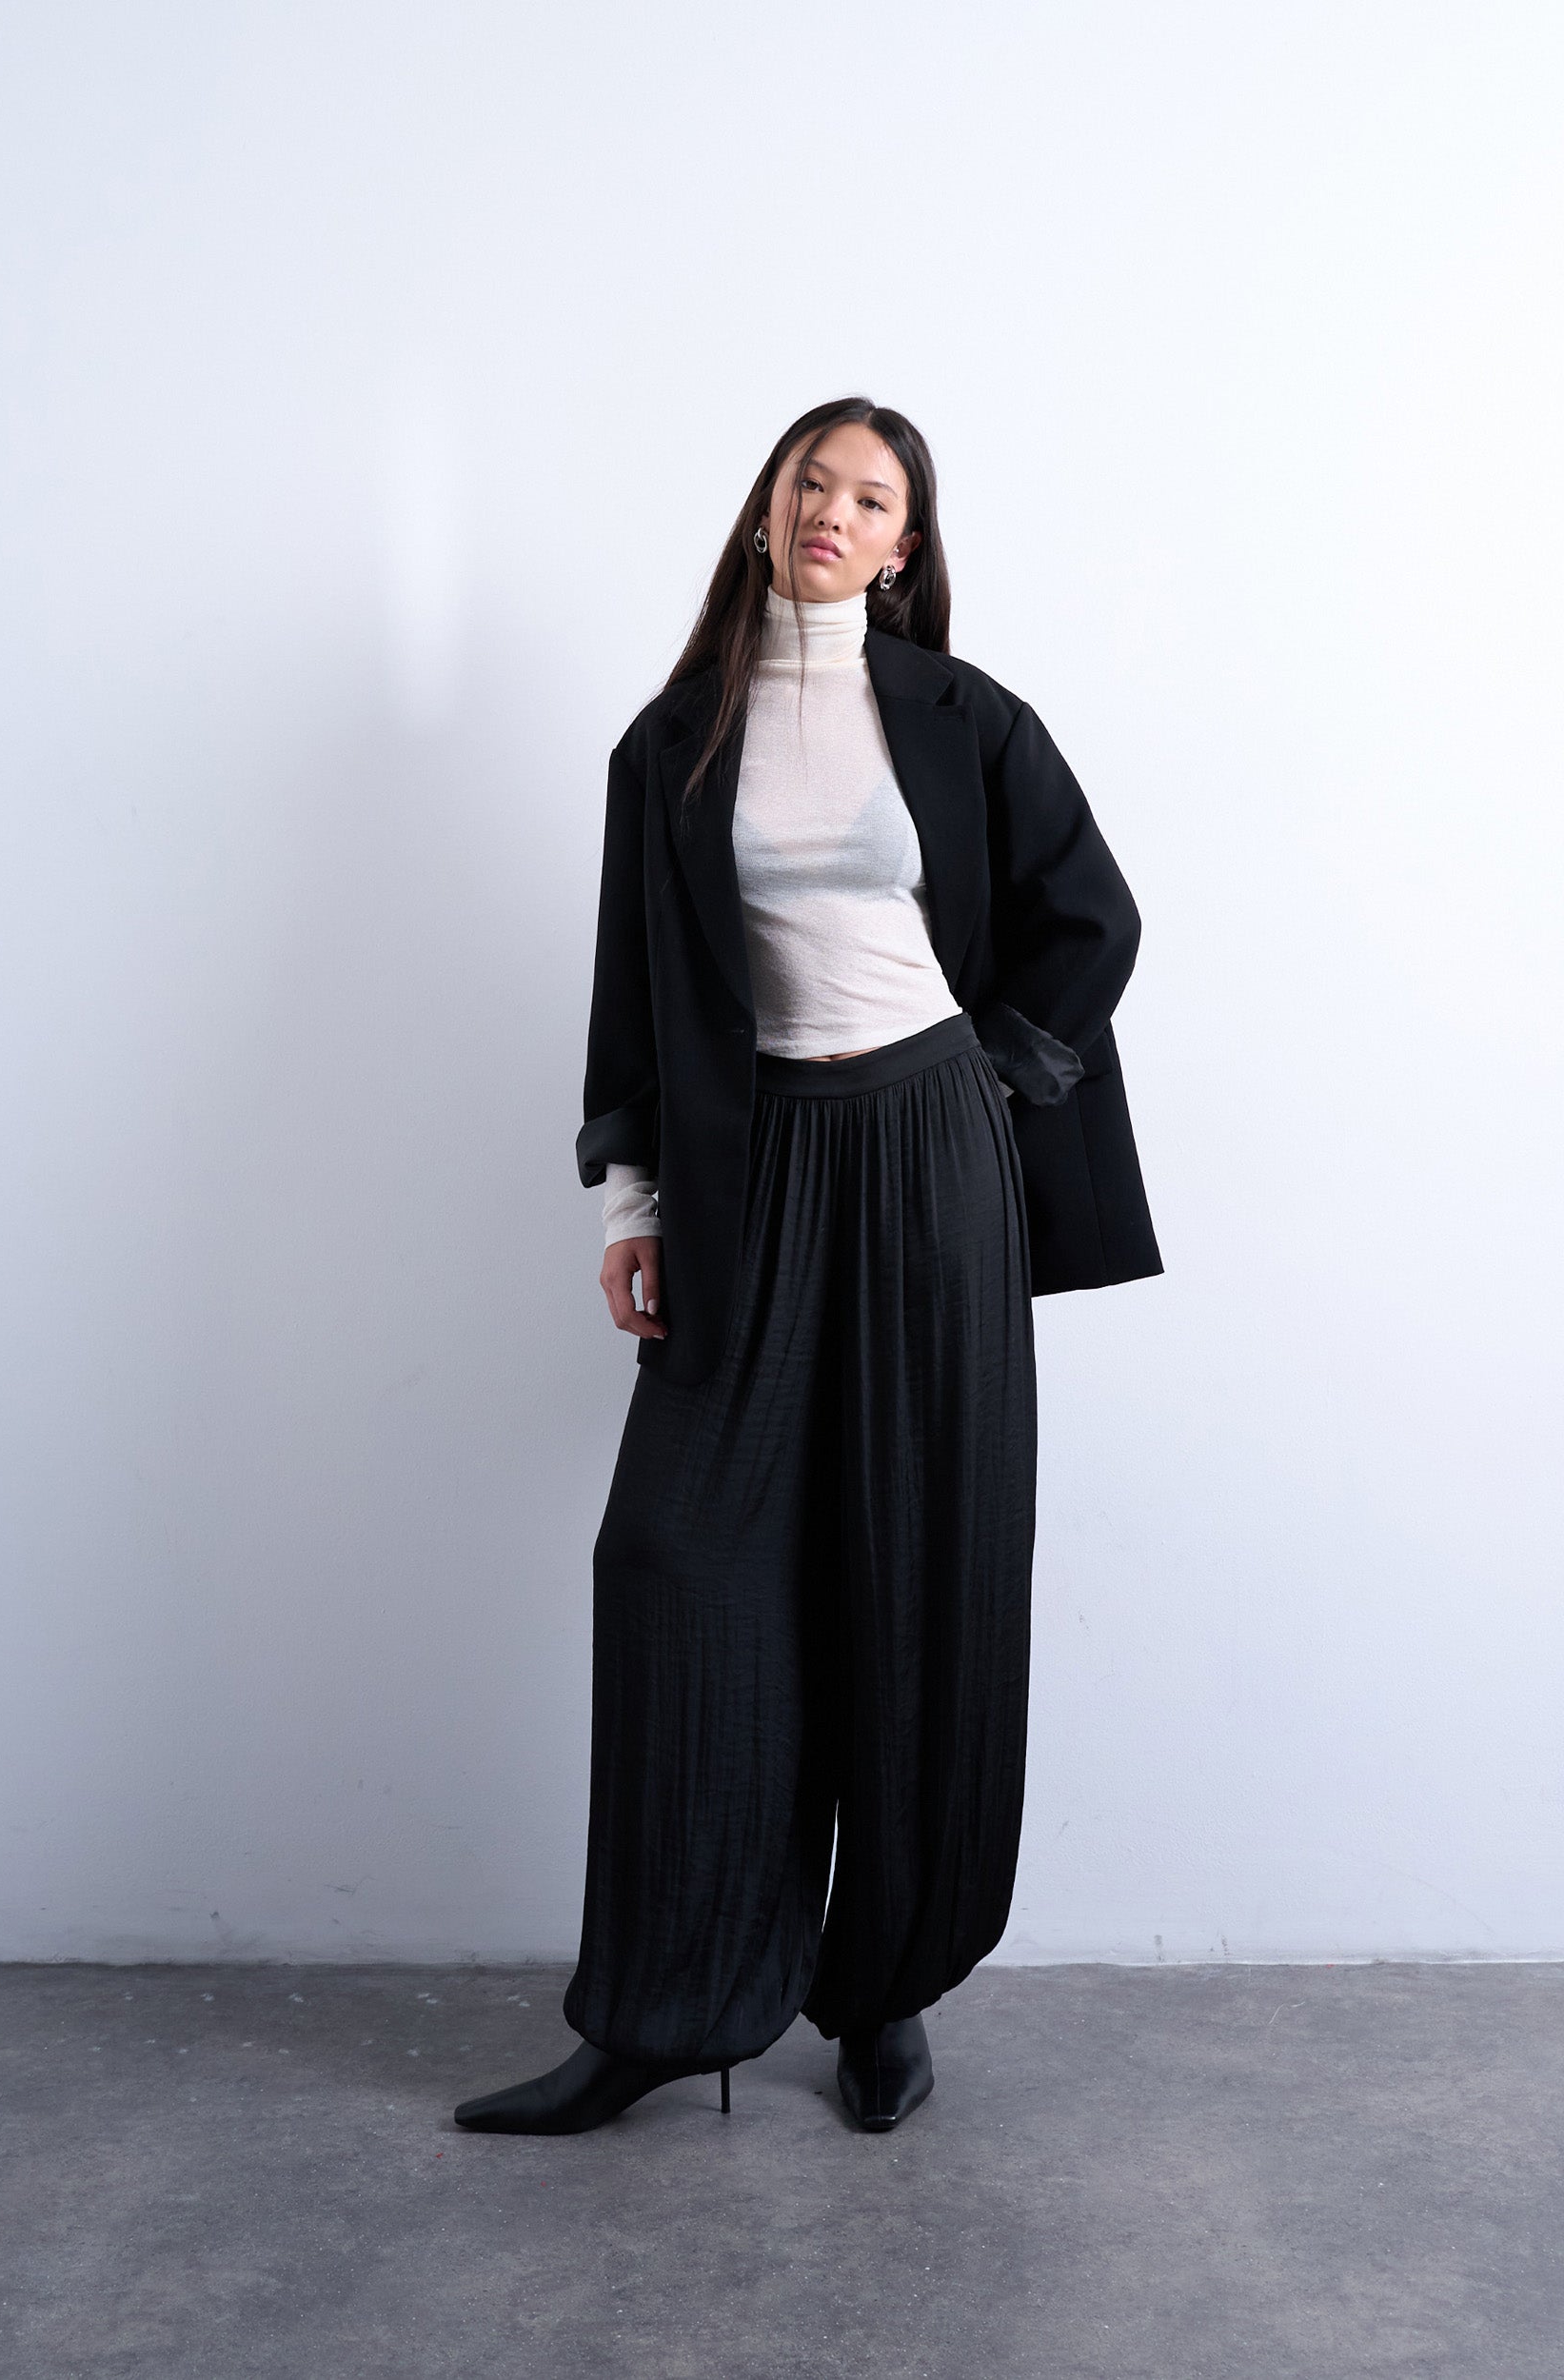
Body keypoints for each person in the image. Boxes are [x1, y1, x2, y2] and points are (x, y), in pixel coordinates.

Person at [455, 397, 1160, 2139]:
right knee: (673, 1559)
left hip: (930, 1155)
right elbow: (634, 990)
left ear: (904, 547)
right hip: (752, 1170)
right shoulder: (671, 741)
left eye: (872, 498)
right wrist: (631, 1209)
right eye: (812, 483)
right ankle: (658, 2009)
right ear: (767, 507)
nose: (835, 512)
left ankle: (882, 1992)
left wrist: (996, 1080)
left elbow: (1097, 918)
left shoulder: (967, 720)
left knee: (916, 1568)